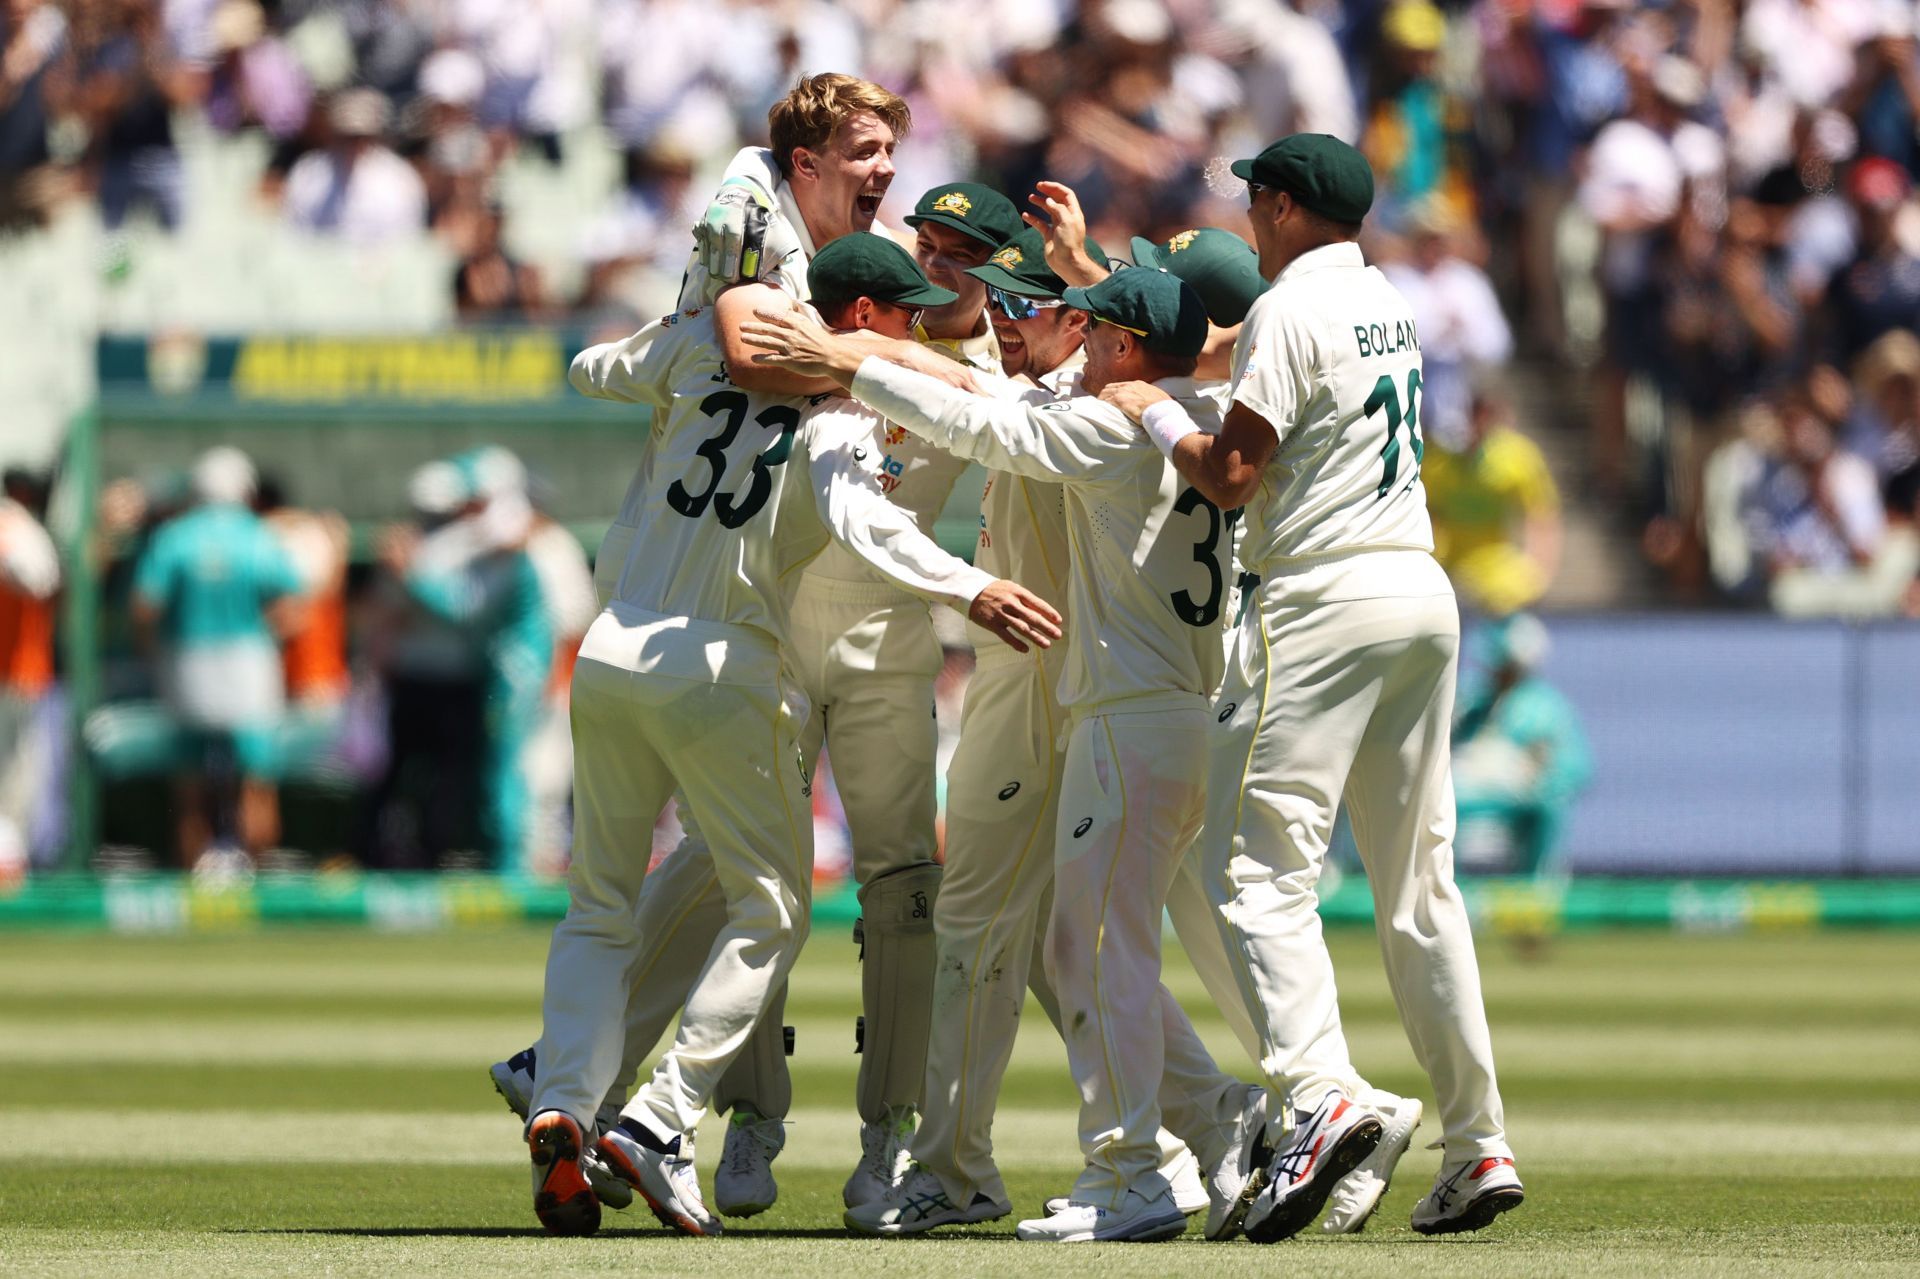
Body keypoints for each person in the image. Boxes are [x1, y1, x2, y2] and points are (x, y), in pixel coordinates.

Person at [520, 235, 1059, 1239]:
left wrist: (697, 321)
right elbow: (865, 522)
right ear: (860, 313)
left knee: (619, 900)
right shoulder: (835, 415)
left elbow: (594, 366)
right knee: (763, 904)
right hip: (737, 657)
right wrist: (970, 585)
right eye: (903, 294)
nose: (918, 303)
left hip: (625, 648)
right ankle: (681, 1115)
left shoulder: (719, 356)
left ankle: (571, 1091)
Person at [744, 268, 1265, 1245]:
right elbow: (997, 399)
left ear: (1113, 339)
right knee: (1084, 942)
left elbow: (990, 428)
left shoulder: (1112, 427)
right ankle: (1191, 1129)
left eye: (1093, 327)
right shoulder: (1206, 416)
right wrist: (869, 356)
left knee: (1091, 948)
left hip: (1123, 710)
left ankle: (1133, 1169)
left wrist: (845, 369)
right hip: (1191, 709)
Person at [1097, 133, 1521, 1240]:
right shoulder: (1388, 297)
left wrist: (1147, 406)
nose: (1246, 214)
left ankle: (1321, 1092)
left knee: (1255, 873)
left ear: (1283, 208)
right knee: (1422, 891)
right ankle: (1479, 1143)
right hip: (1419, 592)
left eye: (1254, 198)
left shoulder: (1290, 308)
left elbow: (1232, 478)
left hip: (1321, 596)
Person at [129, 447, 301, 875]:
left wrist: (155, 653)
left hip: (188, 660)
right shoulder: (258, 535)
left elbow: (145, 607)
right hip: (248, 662)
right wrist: (264, 634)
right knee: (257, 783)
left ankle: (194, 878)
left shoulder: (175, 537)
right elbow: (295, 607)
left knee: (189, 786)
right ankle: (254, 886)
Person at [1451, 614, 1592, 878]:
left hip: (1518, 802)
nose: (1496, 672)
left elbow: (1575, 768)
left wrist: (1537, 786)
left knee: (1549, 812)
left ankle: (1536, 894)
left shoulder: (1547, 708)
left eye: (1505, 666)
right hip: (1463, 797)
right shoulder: (1471, 699)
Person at [1422, 385, 1563, 616]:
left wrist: (1538, 573)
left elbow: (1542, 516)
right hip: (1446, 563)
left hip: (1495, 566)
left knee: (1517, 638)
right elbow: (1427, 513)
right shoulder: (1434, 460)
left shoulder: (1517, 456)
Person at [0, 468, 58, 879]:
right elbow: (40, 578)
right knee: (16, 775)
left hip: (19, 671)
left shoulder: (21, 528)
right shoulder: (17, 526)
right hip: (16, 672)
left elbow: (38, 580)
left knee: (21, 773)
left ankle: (9, 860)